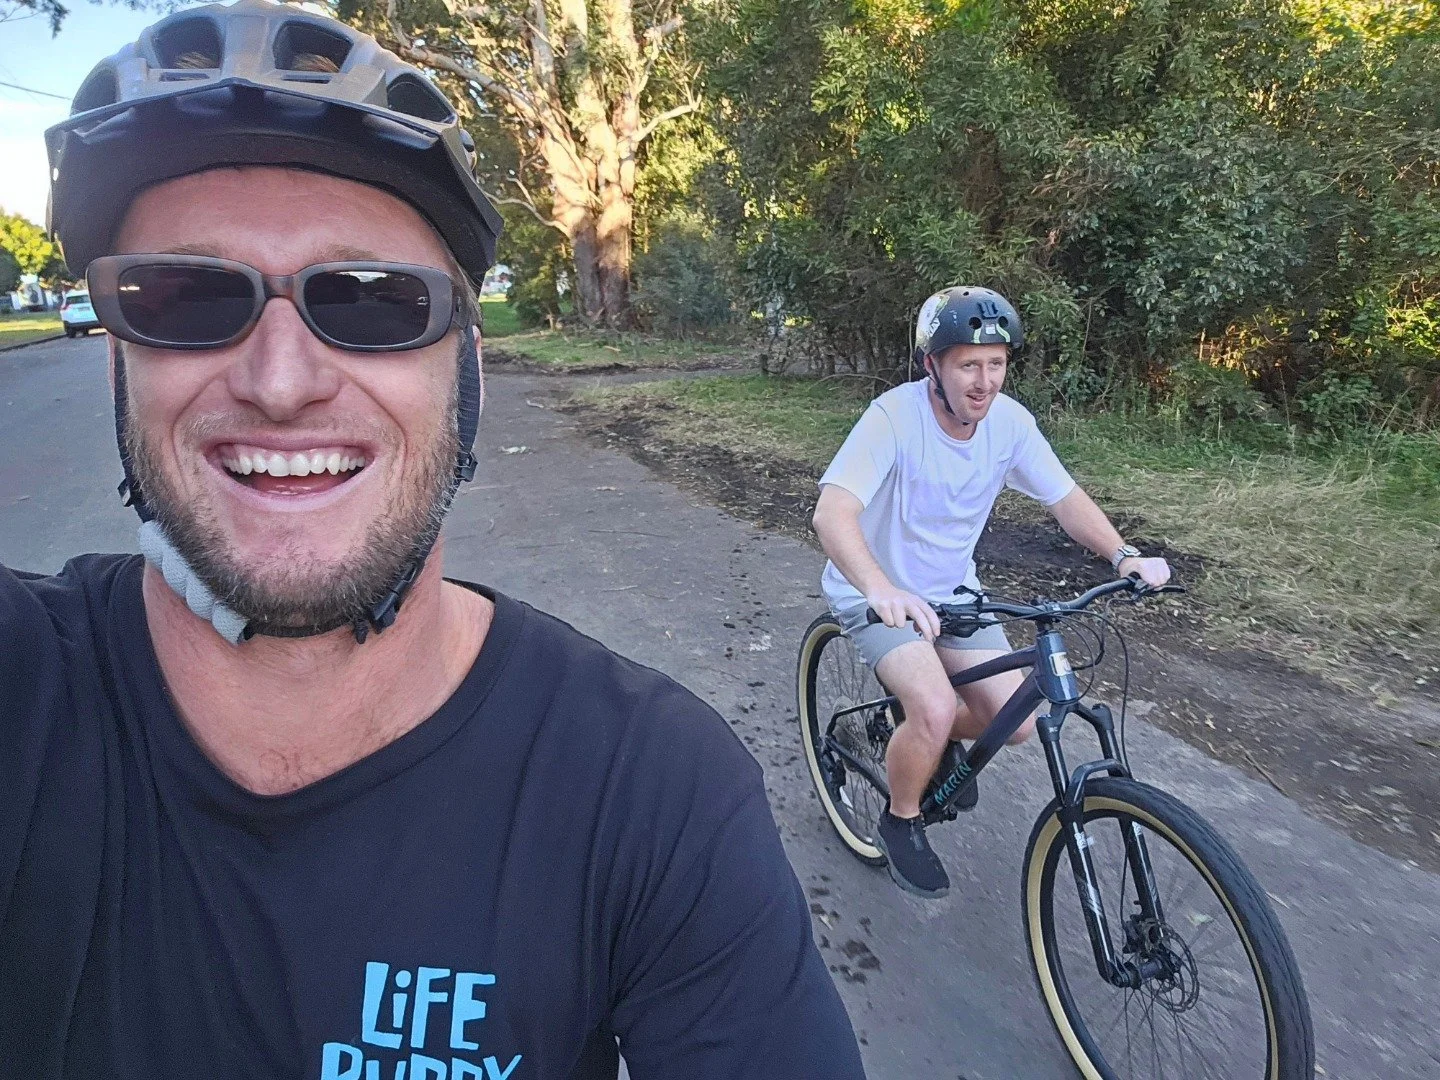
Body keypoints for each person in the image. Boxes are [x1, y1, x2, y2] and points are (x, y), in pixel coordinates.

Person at [0, 3, 865, 1077]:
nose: (280, 382)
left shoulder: (652, 796)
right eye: (182, 295)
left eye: (368, 300)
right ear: (124, 361)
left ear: (467, 372)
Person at [811, 286, 1172, 899]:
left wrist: (1123, 554)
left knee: (1021, 720)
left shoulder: (1009, 425)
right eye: (968, 365)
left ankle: (925, 742)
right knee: (934, 708)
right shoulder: (893, 419)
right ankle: (901, 819)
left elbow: (1065, 498)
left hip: (955, 594)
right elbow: (832, 513)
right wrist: (879, 588)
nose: (984, 381)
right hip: (876, 592)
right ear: (934, 365)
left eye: (996, 363)